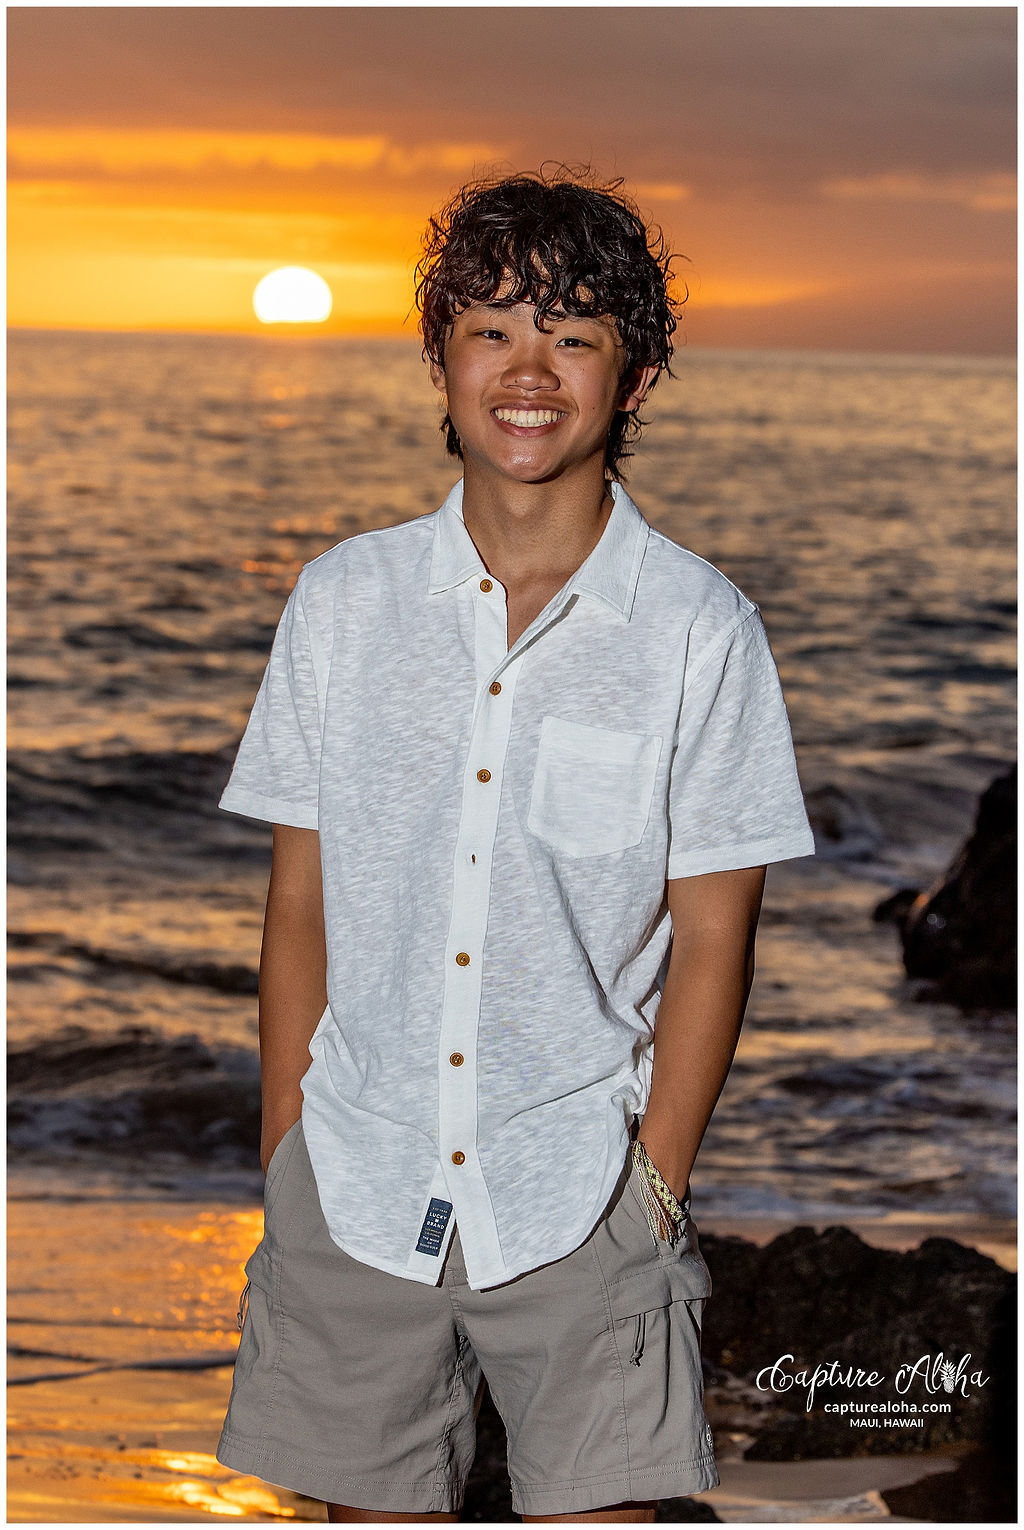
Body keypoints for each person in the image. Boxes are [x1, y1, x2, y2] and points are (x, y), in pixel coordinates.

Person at [215, 166, 816, 1523]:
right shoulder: (344, 602)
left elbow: (717, 935)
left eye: (574, 333)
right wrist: (286, 1147)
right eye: (491, 328)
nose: (527, 369)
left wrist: (655, 1183)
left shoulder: (697, 630)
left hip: (586, 1189)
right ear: (441, 359)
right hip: (356, 1178)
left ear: (638, 376)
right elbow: (297, 904)